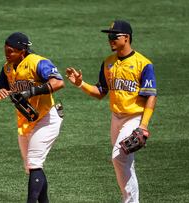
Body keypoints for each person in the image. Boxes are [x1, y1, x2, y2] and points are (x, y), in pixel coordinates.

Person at [66, 20, 157, 203]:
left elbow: (151, 97)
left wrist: (143, 125)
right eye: (109, 36)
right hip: (116, 119)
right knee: (125, 162)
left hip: (134, 117)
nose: (110, 39)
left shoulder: (143, 64)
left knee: (118, 157)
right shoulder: (108, 63)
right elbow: (100, 92)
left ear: (127, 37)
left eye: (114, 36)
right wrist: (80, 84)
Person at [0, 32, 65, 203]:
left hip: (47, 118)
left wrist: (32, 91)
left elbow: (58, 82)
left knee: (34, 163)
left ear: (22, 51)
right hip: (25, 121)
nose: (7, 54)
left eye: (10, 51)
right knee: (33, 167)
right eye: (5, 50)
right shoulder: (8, 67)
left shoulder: (38, 62)